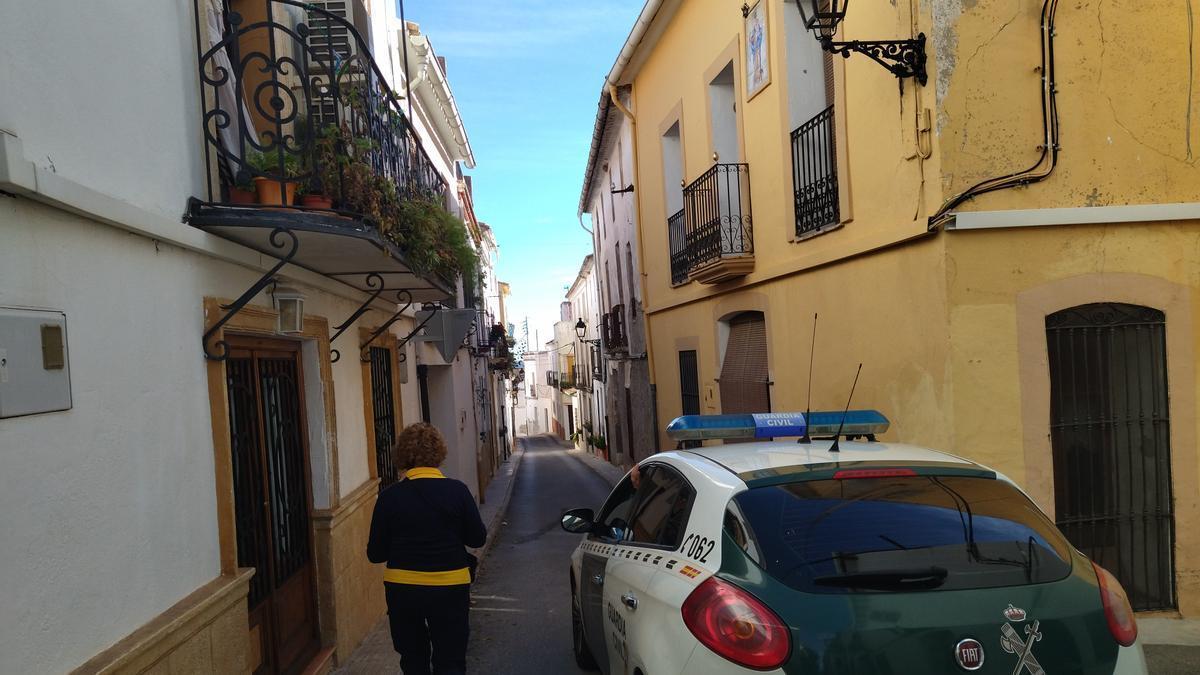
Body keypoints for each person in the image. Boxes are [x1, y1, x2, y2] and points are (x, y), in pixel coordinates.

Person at [367, 423, 487, 675]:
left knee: (413, 660)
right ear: (439, 453)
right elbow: (477, 539)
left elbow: (375, 554)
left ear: (402, 455)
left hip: (403, 590)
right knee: (451, 660)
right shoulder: (458, 492)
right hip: (450, 586)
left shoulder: (389, 498)